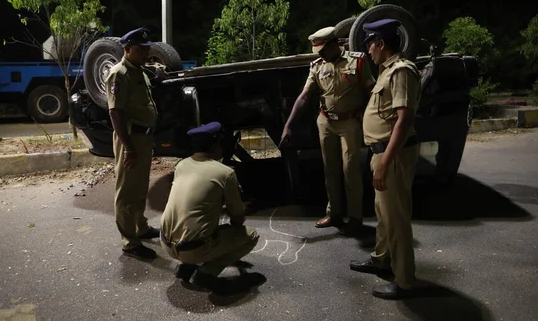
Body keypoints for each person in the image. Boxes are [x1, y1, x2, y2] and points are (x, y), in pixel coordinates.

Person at [348, 19, 422, 300]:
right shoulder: (386, 71)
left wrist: (385, 161)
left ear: (380, 43)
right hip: (381, 151)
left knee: (397, 219)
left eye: (369, 45)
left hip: (393, 155)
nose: (368, 51)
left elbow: (404, 121)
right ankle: (381, 259)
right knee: (384, 213)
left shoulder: (401, 71)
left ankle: (405, 282)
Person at [280, 26, 375, 235]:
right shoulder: (316, 66)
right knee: (329, 170)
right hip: (325, 122)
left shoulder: (357, 61)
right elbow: (305, 96)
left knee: (350, 170)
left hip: (350, 122)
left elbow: (371, 91)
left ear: (334, 44)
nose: (320, 54)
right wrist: (289, 125)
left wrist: (368, 117)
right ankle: (334, 213)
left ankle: (356, 218)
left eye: (323, 50)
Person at [160, 121, 260, 292]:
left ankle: (186, 265)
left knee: (192, 221)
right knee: (251, 235)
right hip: (194, 248)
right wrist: (233, 203)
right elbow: (237, 219)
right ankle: (206, 272)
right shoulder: (225, 173)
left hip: (166, 244)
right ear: (216, 145)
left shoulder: (182, 164)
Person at [106, 27, 160, 261]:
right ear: (127, 49)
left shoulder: (140, 72)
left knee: (139, 186)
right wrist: (128, 147)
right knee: (126, 189)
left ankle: (141, 227)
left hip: (143, 137)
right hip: (129, 138)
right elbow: (115, 113)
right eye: (140, 49)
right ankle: (129, 241)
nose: (145, 53)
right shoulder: (119, 73)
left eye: (147, 49)